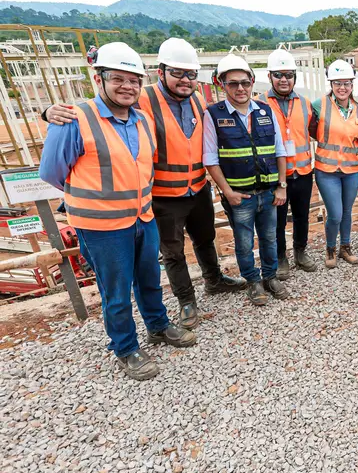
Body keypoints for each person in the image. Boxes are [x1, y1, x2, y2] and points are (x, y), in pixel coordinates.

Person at [43, 38, 245, 329]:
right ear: (160, 72)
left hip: (197, 188)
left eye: (190, 74)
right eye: (177, 73)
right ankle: (186, 300)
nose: (185, 80)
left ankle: (213, 280)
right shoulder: (141, 97)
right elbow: (100, 108)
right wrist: (49, 111)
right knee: (173, 252)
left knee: (205, 239)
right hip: (162, 195)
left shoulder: (199, 99)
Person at [39, 42, 196, 381]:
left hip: (142, 216)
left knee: (149, 280)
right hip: (101, 227)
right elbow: (51, 172)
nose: (127, 86)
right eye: (118, 79)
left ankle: (157, 326)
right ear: (99, 79)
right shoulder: (74, 119)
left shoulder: (139, 119)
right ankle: (125, 348)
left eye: (133, 80)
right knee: (117, 291)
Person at [203, 54, 289, 306]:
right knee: (243, 241)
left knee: (270, 237)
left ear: (252, 82)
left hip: (269, 190)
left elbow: (280, 150)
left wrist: (281, 185)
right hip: (240, 195)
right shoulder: (214, 115)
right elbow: (210, 158)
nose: (240, 88)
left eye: (245, 82)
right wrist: (228, 192)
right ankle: (253, 281)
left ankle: (270, 276)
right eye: (233, 83)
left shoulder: (265, 110)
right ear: (222, 84)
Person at [256, 48, 318, 277]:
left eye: (289, 75)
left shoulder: (305, 103)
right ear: (269, 76)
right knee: (277, 221)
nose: (284, 80)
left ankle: (300, 252)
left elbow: (313, 130)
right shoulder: (259, 104)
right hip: (275, 175)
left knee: (302, 215)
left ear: (295, 77)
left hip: (302, 170)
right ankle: (281, 257)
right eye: (279, 75)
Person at [310, 60, 358, 268]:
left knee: (348, 211)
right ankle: (330, 248)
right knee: (335, 214)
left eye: (346, 83)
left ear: (352, 85)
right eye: (337, 83)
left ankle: (345, 247)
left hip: (352, 170)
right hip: (327, 171)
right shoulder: (318, 105)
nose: (342, 87)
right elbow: (310, 129)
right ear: (331, 84)